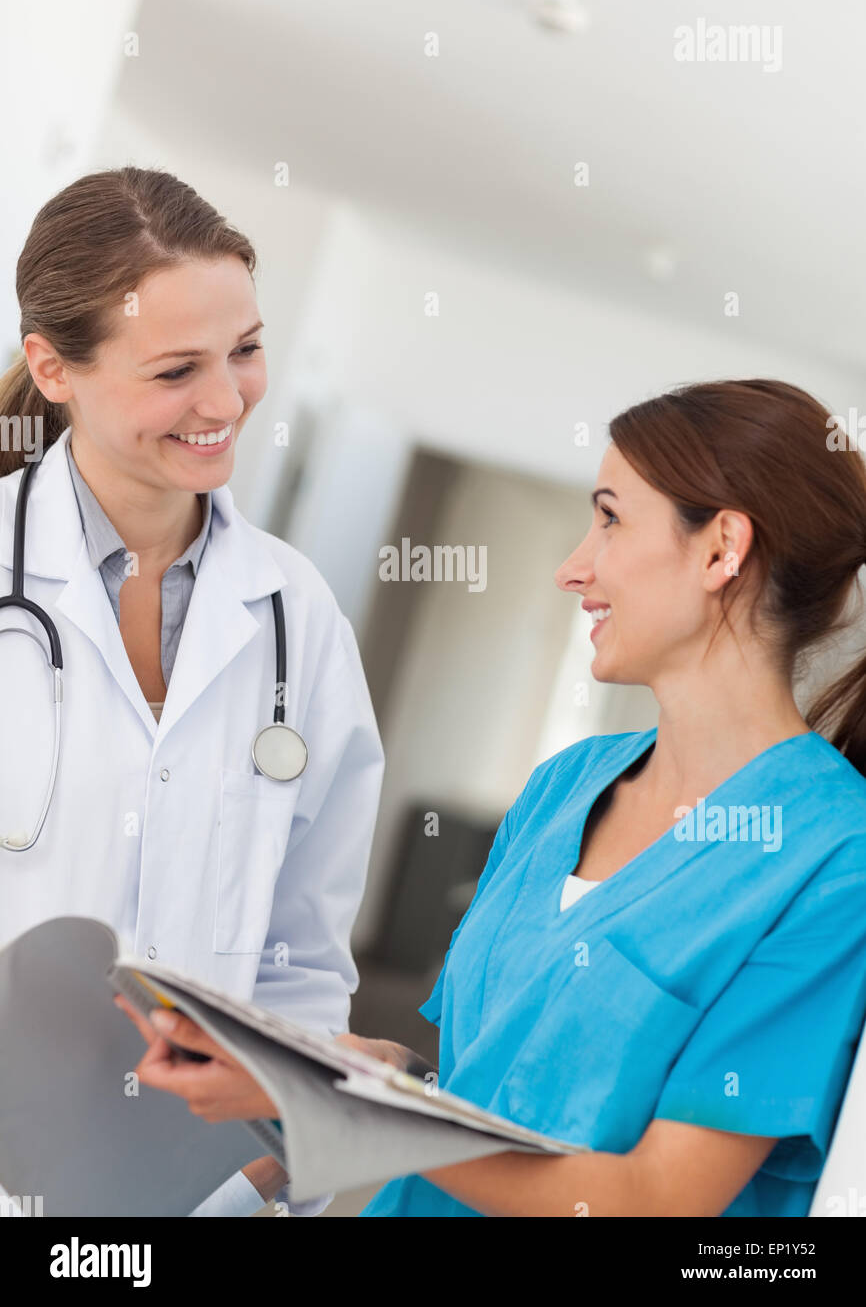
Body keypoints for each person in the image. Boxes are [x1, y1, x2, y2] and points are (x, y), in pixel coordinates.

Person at [119, 377, 866, 1217]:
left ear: (721, 548)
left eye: (611, 518)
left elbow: (656, 1199)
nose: (573, 567)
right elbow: (490, 1084)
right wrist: (327, 1078)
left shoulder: (835, 861)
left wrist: (356, 1107)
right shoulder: (565, 787)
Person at [0, 167, 385, 1217]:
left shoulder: (295, 621)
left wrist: (264, 1169)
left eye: (245, 351)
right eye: (177, 369)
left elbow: (304, 955)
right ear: (53, 367)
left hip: (187, 1199)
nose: (225, 401)